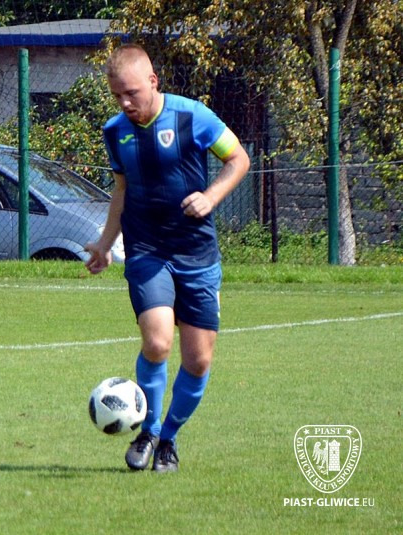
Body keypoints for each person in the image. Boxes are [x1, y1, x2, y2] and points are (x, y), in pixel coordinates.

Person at [85, 44, 250, 472]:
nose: (125, 103)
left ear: (153, 81)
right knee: (157, 342)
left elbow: (238, 159)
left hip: (197, 254)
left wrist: (211, 196)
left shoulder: (193, 116)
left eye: (132, 93)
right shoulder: (115, 132)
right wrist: (105, 243)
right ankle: (148, 430)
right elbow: (121, 190)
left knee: (198, 360)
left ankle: (168, 440)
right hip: (147, 250)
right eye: (117, 95)